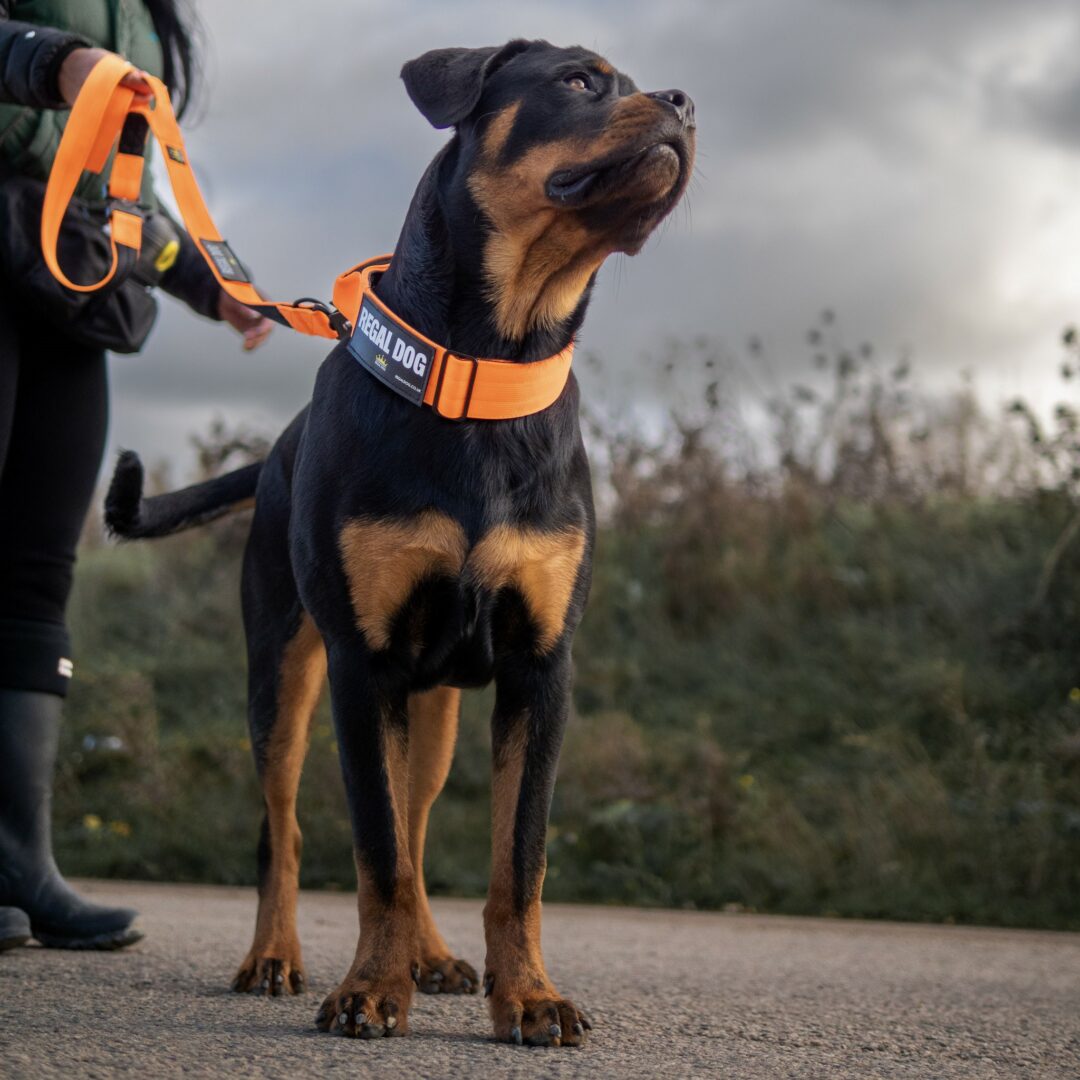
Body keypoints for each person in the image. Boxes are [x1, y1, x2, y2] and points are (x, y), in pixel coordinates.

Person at [0, 0, 271, 951]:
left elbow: (129, 195)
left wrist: (216, 289)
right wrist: (51, 60)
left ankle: (19, 865)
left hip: (66, 285)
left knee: (38, 575)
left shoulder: (148, 15)